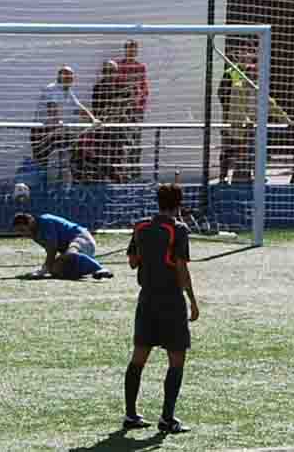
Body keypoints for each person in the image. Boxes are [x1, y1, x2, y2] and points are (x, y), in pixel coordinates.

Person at [122, 183, 199, 434]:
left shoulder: (141, 226)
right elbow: (181, 268)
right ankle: (167, 418)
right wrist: (192, 300)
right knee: (176, 359)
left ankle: (131, 415)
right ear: (179, 203)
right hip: (171, 301)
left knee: (139, 357)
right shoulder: (178, 230)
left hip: (146, 300)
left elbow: (133, 262)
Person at [219, 57, 294, 183]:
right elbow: (237, 106)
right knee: (231, 152)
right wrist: (247, 121)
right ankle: (226, 178)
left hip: (252, 129)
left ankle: (255, 177)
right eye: (252, 71)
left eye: (258, 72)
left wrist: (288, 121)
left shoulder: (260, 88)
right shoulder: (238, 85)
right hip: (237, 127)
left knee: (255, 153)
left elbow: (273, 106)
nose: (255, 75)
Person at [11, 213, 113, 280]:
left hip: (82, 239)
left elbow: (52, 248)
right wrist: (49, 268)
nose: (23, 234)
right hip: (73, 250)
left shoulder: (45, 221)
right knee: (56, 270)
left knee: (70, 253)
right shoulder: (33, 233)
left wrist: (44, 269)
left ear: (31, 222)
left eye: (22, 230)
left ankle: (100, 269)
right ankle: (90, 270)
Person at [34, 66, 88, 180]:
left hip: (57, 132)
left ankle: (66, 185)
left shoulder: (68, 92)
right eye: (67, 76)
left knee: (70, 154)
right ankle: (42, 189)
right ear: (59, 76)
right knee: (42, 164)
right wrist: (58, 121)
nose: (70, 79)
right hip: (42, 132)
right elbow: (52, 109)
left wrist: (94, 120)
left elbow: (79, 108)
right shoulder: (52, 89)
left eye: (71, 77)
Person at [88, 60, 131, 182]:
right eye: (106, 71)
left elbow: (126, 106)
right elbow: (97, 110)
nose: (108, 74)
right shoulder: (98, 87)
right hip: (104, 129)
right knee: (103, 158)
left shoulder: (123, 87)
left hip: (118, 129)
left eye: (111, 71)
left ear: (116, 72)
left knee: (119, 156)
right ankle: (105, 181)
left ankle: (120, 182)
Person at [115, 40, 150, 181]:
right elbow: (117, 85)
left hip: (136, 109)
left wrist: (140, 100)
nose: (131, 52)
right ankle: (122, 171)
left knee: (136, 139)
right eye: (129, 49)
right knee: (123, 139)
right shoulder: (119, 66)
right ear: (125, 50)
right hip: (123, 110)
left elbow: (143, 86)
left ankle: (135, 170)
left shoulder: (141, 67)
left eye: (134, 49)